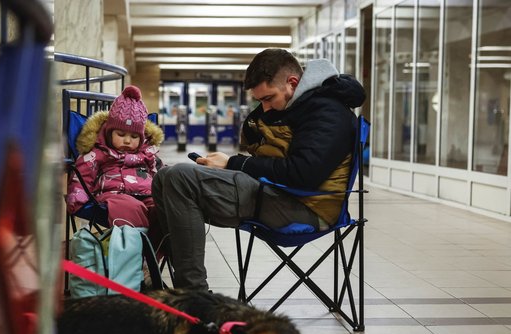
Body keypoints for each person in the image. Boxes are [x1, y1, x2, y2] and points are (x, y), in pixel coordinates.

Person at [152, 48, 366, 291]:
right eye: (260, 101)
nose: (265, 108)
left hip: (305, 206)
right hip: (279, 194)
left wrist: (234, 163)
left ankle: (193, 298)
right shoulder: (303, 106)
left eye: (268, 98)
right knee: (163, 178)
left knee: (180, 178)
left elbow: (304, 174)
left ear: (292, 83)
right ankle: (167, 280)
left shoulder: (327, 111)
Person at [66, 85, 164, 230]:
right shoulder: (98, 152)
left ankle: (155, 247)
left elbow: (159, 172)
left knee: (163, 210)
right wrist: (77, 197)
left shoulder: (147, 153)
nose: (127, 140)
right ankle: (142, 244)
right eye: (121, 134)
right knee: (130, 207)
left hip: (146, 194)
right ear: (109, 132)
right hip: (113, 195)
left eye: (134, 136)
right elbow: (82, 173)